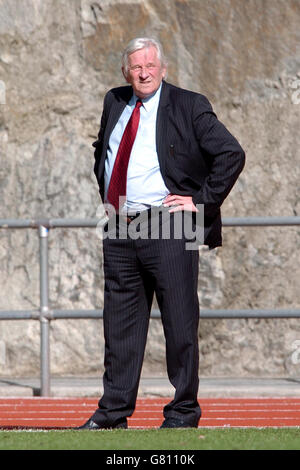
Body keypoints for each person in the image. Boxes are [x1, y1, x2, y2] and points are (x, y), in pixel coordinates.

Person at [76, 37, 245, 430]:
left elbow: (231, 153)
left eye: (151, 65)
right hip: (119, 225)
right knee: (119, 327)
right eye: (136, 67)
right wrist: (109, 195)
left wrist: (200, 202)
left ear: (163, 69)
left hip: (170, 223)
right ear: (126, 72)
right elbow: (103, 150)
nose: (144, 72)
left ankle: (183, 413)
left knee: (180, 324)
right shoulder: (114, 101)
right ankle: (113, 414)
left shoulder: (189, 104)